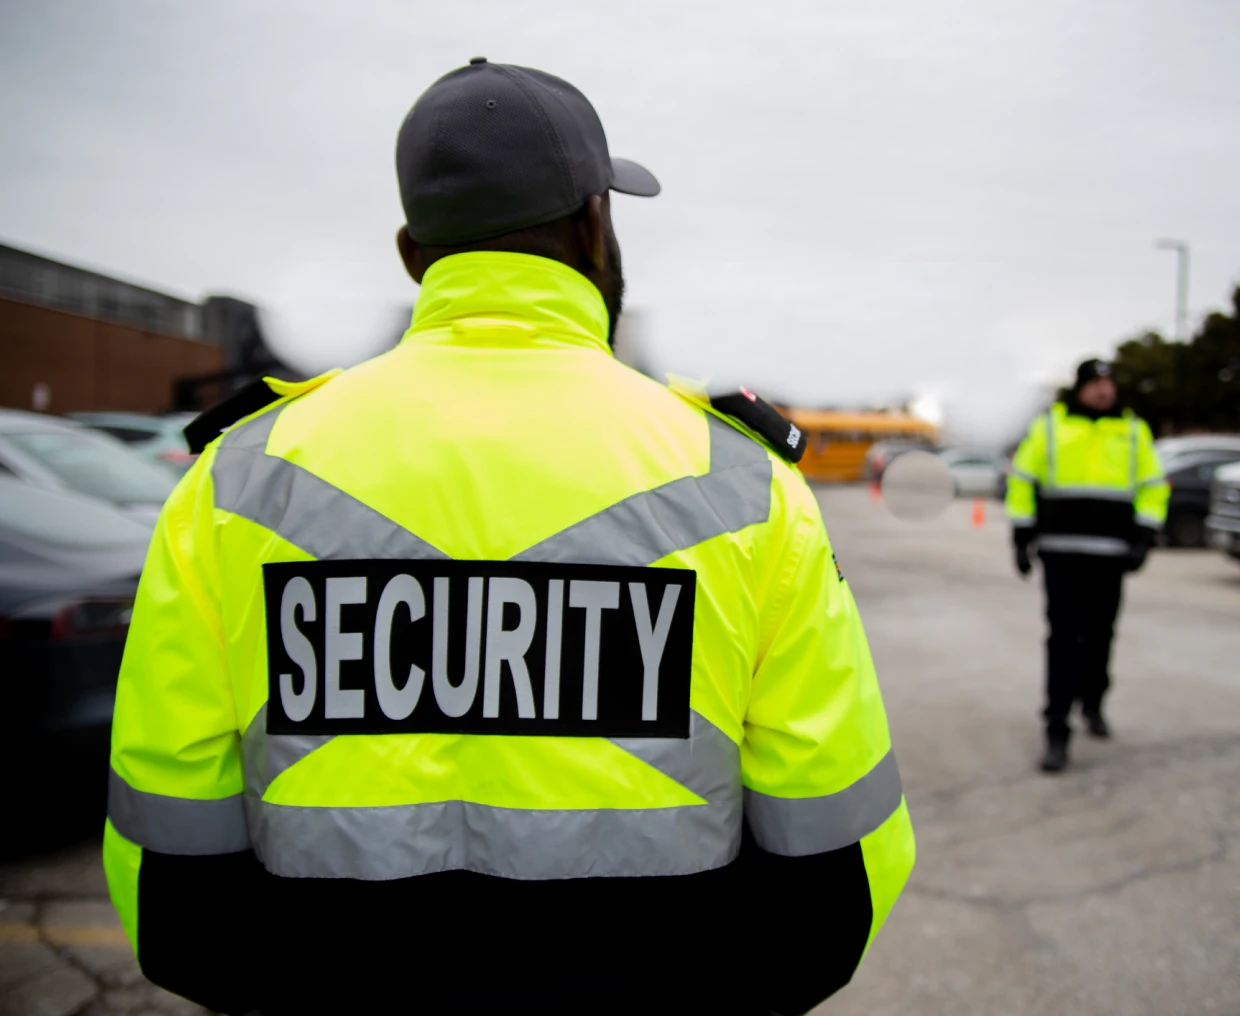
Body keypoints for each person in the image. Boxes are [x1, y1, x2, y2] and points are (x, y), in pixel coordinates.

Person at [104, 58, 914, 1015]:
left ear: (415, 253)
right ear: (594, 223)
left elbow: (173, 883)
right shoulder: (742, 484)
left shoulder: (234, 481)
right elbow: (837, 873)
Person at [1006, 358, 1168, 773]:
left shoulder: (1133, 430)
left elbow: (1152, 487)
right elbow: (1023, 478)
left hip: (1111, 556)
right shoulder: (1050, 427)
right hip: (1061, 554)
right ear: (1079, 388)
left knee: (1100, 638)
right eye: (1096, 383)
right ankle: (1056, 731)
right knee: (1062, 640)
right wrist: (1021, 536)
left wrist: (1146, 536)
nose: (1104, 390)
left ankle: (1093, 703)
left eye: (1110, 382)